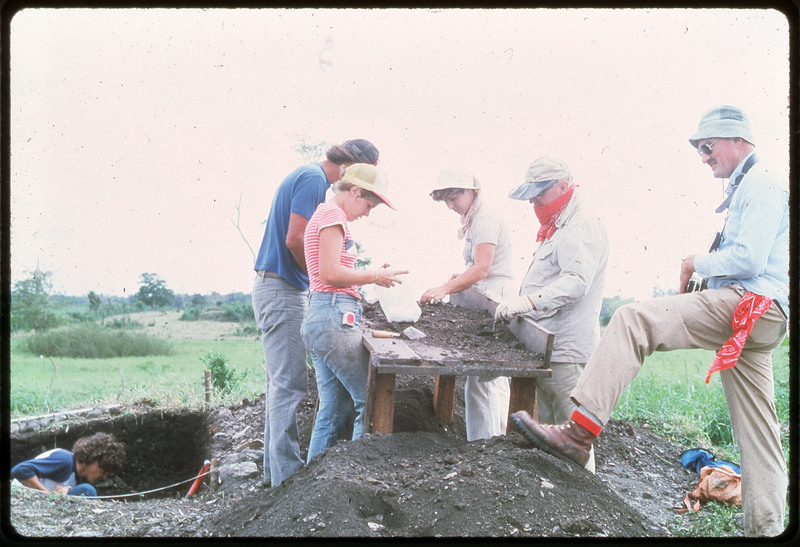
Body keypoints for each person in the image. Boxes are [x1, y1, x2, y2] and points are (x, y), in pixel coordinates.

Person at [509, 106, 789, 537]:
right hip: (755, 317)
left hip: (751, 305)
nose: (703, 155)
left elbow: (750, 259)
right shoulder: (748, 186)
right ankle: (767, 529)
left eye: (708, 145)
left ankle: (579, 435)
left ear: (737, 139)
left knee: (632, 319)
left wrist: (695, 261)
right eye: (699, 148)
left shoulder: (761, 182)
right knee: (759, 433)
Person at [252, 139, 379, 487]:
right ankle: (287, 481)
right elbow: (296, 240)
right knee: (288, 389)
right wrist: (324, 284)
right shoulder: (313, 180)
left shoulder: (311, 181)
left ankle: (276, 476)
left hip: (281, 287)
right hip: (283, 289)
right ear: (348, 169)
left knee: (281, 387)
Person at [494, 156, 608, 473]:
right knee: (550, 436)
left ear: (563, 186)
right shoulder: (558, 223)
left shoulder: (579, 225)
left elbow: (575, 282)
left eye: (539, 194)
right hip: (548, 346)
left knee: (571, 437)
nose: (534, 202)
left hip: (567, 350)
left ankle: (586, 506)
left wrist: (527, 302)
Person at [301, 163, 407, 461]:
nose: (367, 213)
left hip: (322, 314)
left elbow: (330, 271)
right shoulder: (333, 215)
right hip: (334, 315)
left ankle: (309, 489)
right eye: (368, 204)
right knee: (370, 400)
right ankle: (362, 476)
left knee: (333, 408)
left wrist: (372, 275)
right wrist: (374, 276)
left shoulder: (325, 214)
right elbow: (331, 272)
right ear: (355, 191)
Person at [419, 167, 513, 441]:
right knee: (492, 380)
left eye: (455, 197)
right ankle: (500, 441)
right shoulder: (474, 219)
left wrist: (445, 288)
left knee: (482, 378)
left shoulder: (486, 218)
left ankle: (483, 445)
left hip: (496, 300)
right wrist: (459, 278)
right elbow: (478, 266)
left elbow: (483, 268)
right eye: (446, 199)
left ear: (473, 191)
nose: (451, 205)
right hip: (485, 298)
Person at [11, 432, 126, 497]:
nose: (104, 477)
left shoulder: (79, 479)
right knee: (88, 491)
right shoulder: (65, 460)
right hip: (20, 495)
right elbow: (20, 470)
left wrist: (60, 496)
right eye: (104, 470)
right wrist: (48, 495)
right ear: (93, 459)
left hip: (39, 504)